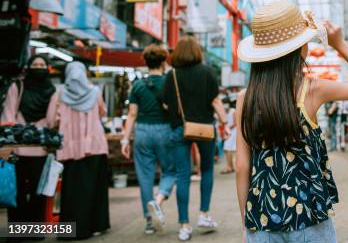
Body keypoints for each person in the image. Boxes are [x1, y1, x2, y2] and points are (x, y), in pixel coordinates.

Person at [235, 1, 348, 242]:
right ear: (299, 49)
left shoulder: (244, 98)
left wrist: (246, 224)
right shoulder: (312, 90)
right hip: (309, 217)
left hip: (262, 219)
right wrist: (340, 44)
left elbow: (242, 167)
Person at [160, 36, 229, 241]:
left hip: (179, 128)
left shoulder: (171, 76)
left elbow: (165, 104)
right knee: (207, 169)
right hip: (205, 128)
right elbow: (215, 100)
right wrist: (225, 122)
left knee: (183, 175)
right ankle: (204, 215)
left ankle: (184, 225)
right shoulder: (207, 72)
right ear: (197, 52)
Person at [48, 61, 110, 240]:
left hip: (70, 149)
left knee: (72, 190)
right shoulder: (95, 92)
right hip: (95, 147)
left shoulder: (59, 95)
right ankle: (96, 225)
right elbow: (102, 113)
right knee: (94, 188)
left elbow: (52, 120)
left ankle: (72, 229)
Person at [121, 44, 175, 234]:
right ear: (163, 61)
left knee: (145, 176)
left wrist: (125, 140)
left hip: (142, 131)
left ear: (145, 62)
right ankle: (159, 199)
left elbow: (132, 114)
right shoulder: (169, 82)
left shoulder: (137, 85)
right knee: (171, 171)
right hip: (165, 131)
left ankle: (149, 221)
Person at [1, 55, 59, 225]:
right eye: (35, 64)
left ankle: (32, 229)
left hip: (39, 149)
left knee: (37, 190)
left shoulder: (51, 91)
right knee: (17, 189)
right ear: (29, 66)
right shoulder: (18, 86)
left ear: (47, 68)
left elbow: (51, 120)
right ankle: (20, 229)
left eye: (42, 65)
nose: (39, 67)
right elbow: (9, 113)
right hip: (18, 148)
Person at [221, 100, 236, 174]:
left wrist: (227, 128)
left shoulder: (233, 111)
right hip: (228, 131)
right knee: (226, 149)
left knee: (227, 148)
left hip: (232, 132)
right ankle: (231, 166)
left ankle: (230, 167)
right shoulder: (224, 111)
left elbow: (235, 122)